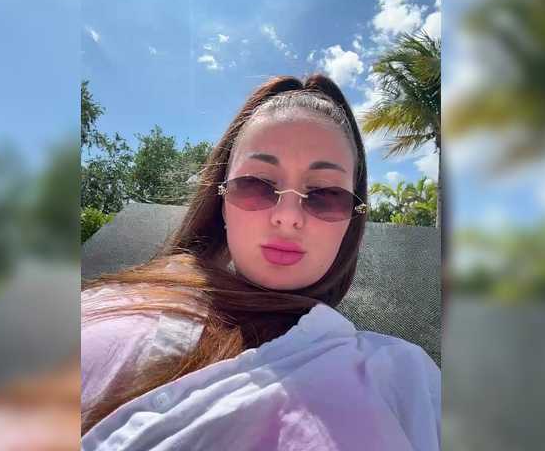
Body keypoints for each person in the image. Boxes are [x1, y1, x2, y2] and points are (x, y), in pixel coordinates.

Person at [81, 75, 440, 450]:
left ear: (352, 219)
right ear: (222, 201)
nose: (288, 217)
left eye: (325, 194)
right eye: (257, 184)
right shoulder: (108, 304)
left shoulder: (404, 378)